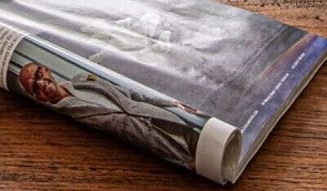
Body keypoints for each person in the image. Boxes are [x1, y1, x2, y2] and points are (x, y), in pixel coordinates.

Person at [17, 60, 201, 171]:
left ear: (47, 69)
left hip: (163, 117)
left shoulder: (82, 78)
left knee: (204, 139)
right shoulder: (60, 119)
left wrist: (172, 103)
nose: (41, 83)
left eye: (39, 74)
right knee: (201, 164)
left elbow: (131, 94)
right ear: (36, 97)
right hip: (153, 146)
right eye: (35, 87)